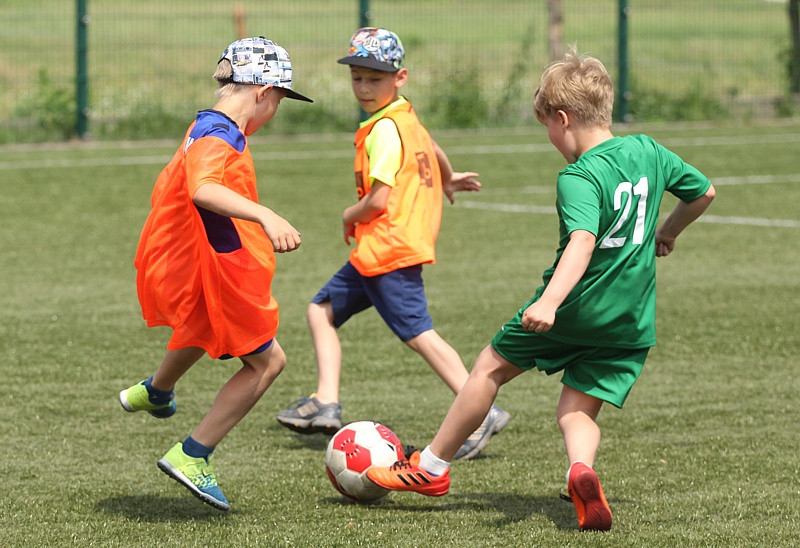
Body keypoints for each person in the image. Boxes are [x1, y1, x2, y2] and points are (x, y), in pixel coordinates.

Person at [366, 46, 716, 532]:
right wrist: (669, 230)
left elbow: (582, 241)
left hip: (575, 306)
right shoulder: (650, 151)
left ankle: (432, 465)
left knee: (489, 367)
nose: (550, 136)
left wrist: (550, 303)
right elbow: (704, 193)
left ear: (563, 117)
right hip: (630, 319)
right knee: (577, 406)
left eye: (547, 125)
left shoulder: (579, 176)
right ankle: (581, 470)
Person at [276, 27, 510, 460]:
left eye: (375, 79)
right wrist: (448, 174)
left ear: (399, 77)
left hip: (389, 249)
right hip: (378, 251)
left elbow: (378, 199)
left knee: (420, 335)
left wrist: (349, 214)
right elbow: (430, 143)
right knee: (320, 310)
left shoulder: (384, 128)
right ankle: (326, 400)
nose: (364, 88)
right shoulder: (404, 115)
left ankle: (483, 409)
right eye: (357, 78)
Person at [118, 36, 312, 511]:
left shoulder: (208, 124)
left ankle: (156, 390)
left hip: (202, 262)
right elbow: (203, 189)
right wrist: (266, 215)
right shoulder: (219, 133)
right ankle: (193, 454)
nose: (276, 111)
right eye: (281, 101)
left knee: (200, 324)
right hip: (216, 265)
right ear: (265, 91)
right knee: (268, 364)